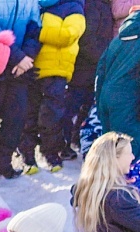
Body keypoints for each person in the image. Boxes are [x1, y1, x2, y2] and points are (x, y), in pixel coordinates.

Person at [0, 0, 44, 176]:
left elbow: (35, 29)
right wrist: (17, 57)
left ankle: (3, 163)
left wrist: (26, 58)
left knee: (16, 117)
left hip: (19, 70)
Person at [21, 0, 87, 171]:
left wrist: (39, 32)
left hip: (56, 70)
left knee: (51, 115)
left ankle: (50, 153)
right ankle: (26, 155)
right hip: (32, 66)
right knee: (29, 113)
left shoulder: (74, 7)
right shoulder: (38, 6)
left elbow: (68, 35)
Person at [64, 0, 114, 151]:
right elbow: (86, 39)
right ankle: (62, 144)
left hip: (94, 68)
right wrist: (102, 58)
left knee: (86, 108)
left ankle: (75, 140)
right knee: (72, 107)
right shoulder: (92, 5)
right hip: (84, 68)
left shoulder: (105, 6)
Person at [94, 4, 140, 158]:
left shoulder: (117, 40)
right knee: (129, 154)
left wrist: (100, 103)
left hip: (106, 100)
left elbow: (100, 72)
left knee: (111, 150)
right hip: (129, 103)